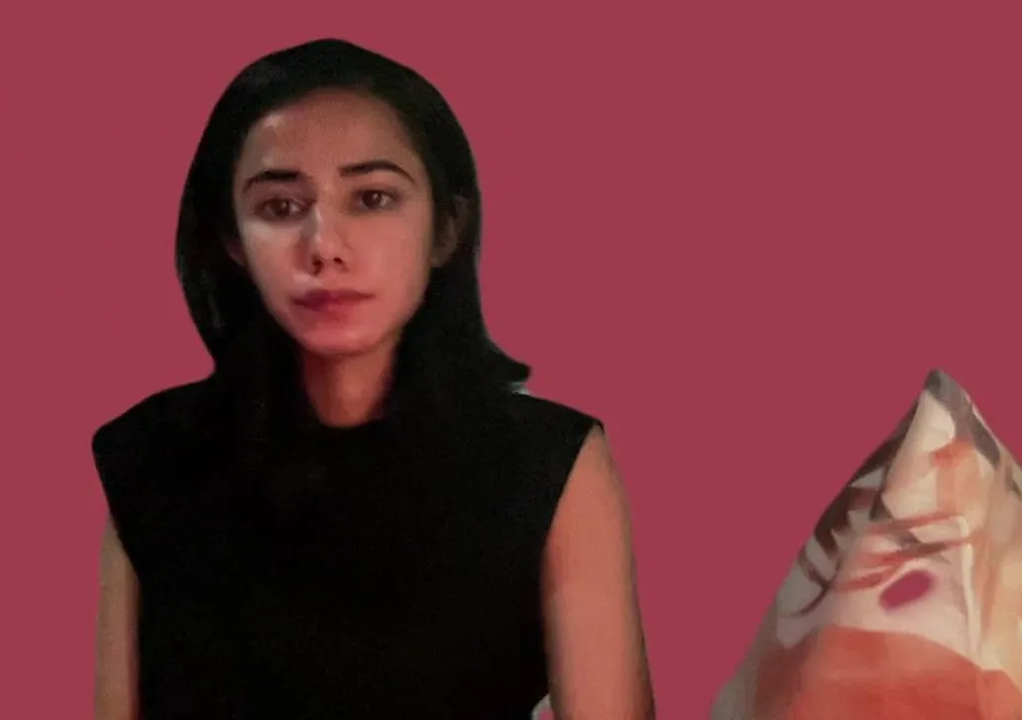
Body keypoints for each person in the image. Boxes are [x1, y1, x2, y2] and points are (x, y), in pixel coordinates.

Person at [91, 38, 654, 719]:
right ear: (232, 240)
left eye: (373, 198)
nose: (324, 246)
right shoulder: (151, 458)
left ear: (446, 227)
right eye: (280, 207)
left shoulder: (550, 464)